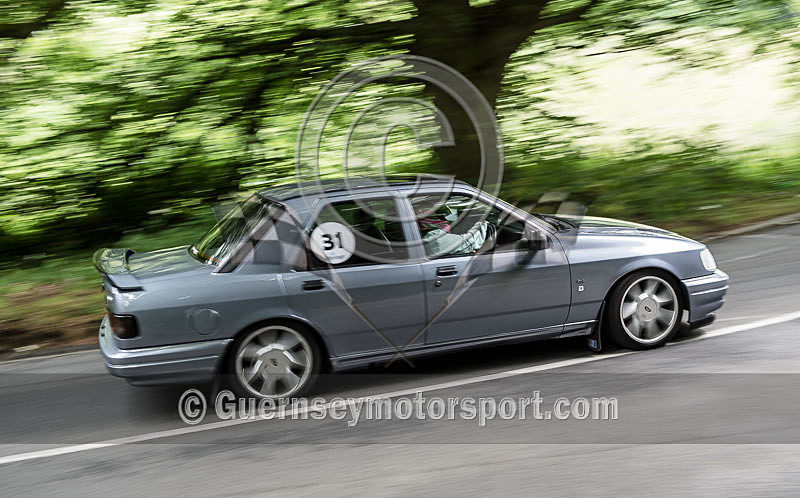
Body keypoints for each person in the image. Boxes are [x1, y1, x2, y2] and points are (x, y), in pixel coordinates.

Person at [416, 205, 488, 257]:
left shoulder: (425, 237)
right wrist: (482, 224)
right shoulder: (435, 239)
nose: (446, 222)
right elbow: (470, 241)